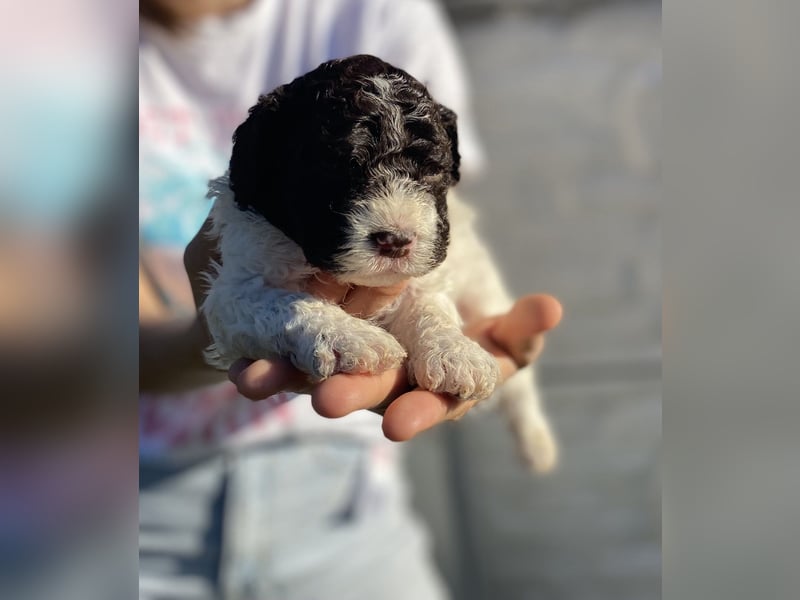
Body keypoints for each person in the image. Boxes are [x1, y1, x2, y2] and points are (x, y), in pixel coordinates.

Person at [139, 1, 562, 598]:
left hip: (345, 505)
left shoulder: (379, 12)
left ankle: (527, 413)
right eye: (340, 175)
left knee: (480, 312)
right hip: (130, 513)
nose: (394, 220)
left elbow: (418, 292)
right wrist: (291, 329)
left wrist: (439, 335)